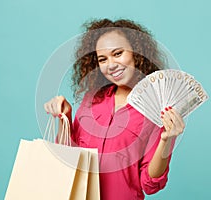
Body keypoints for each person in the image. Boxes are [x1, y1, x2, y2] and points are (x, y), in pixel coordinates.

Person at [44, 18, 185, 200]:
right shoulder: (92, 99)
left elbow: (150, 184)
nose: (111, 65)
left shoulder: (158, 111)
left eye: (118, 53)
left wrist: (166, 140)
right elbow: (69, 159)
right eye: (103, 59)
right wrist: (65, 118)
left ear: (137, 53)